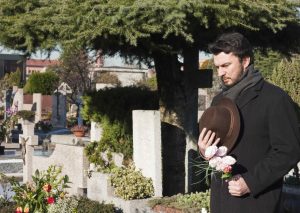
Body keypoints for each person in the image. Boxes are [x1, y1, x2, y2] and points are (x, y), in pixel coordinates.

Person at [198, 32, 300, 213]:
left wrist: (251, 182)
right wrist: (205, 149)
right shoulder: (219, 100)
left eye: (226, 65)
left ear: (245, 61)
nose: (221, 72)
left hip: (257, 202)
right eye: (217, 67)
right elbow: (217, 147)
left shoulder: (275, 98)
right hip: (221, 202)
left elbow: (289, 150)